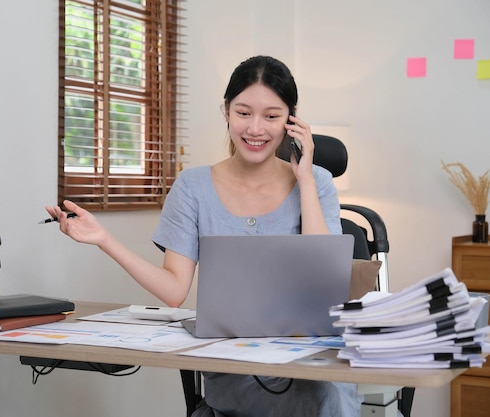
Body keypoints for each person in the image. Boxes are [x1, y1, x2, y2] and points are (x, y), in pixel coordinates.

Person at [46, 55, 363, 417]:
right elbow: (173, 290)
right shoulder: (193, 187)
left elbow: (320, 283)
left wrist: (304, 177)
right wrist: (104, 239)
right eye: (244, 113)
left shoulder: (317, 182)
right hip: (235, 369)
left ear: (291, 120)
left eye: (271, 117)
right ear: (226, 111)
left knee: (329, 401)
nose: (256, 129)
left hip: (312, 365)